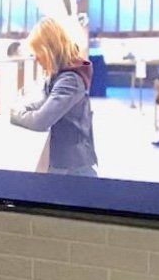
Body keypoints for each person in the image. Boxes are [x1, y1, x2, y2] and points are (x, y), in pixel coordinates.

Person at [9, 17, 98, 176]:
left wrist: (15, 114)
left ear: (49, 49)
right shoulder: (60, 74)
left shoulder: (70, 80)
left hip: (73, 169)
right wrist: (25, 109)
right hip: (66, 163)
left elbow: (40, 121)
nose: (36, 58)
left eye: (38, 52)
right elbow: (45, 103)